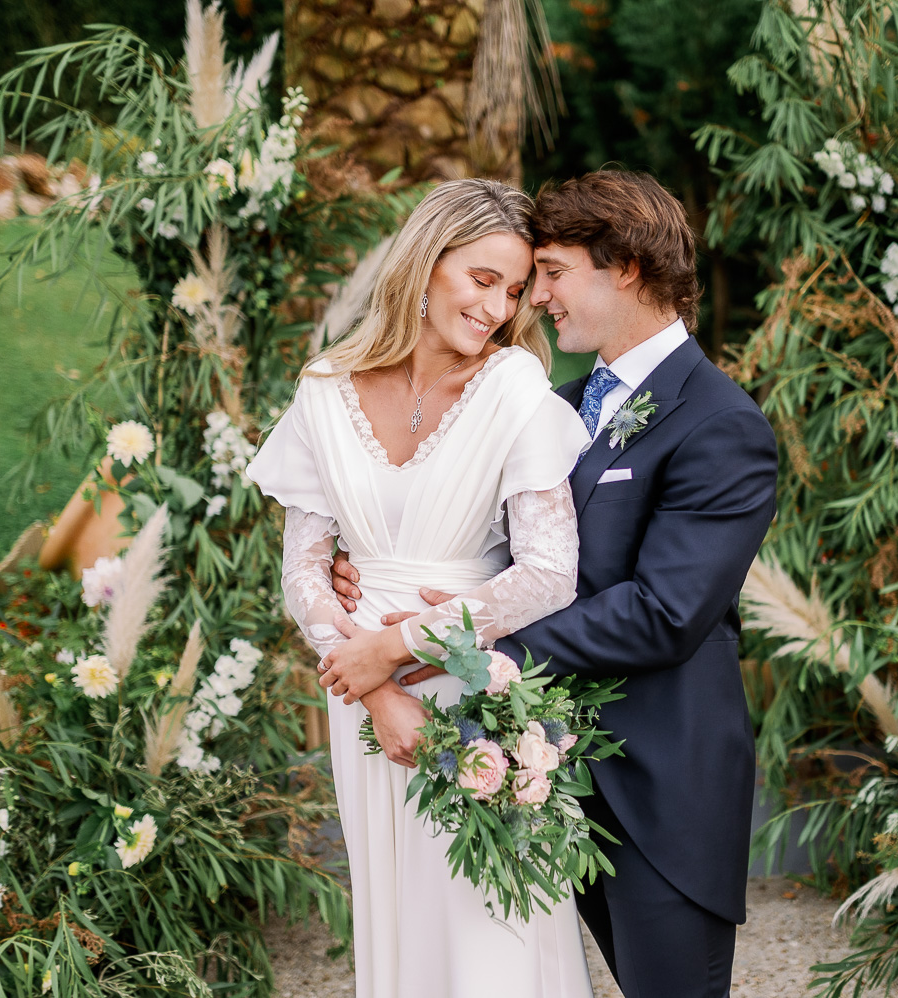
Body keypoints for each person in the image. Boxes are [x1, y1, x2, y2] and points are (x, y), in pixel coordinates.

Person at [328, 171, 779, 998]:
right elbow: (494, 542)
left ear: (628, 267)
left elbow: (664, 613)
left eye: (554, 272)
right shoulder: (561, 405)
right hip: (542, 773)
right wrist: (359, 566)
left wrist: (474, 646)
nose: (534, 299)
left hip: (658, 788)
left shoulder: (722, 424)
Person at [245, 178, 595, 998]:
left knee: (491, 932)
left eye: (514, 291)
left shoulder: (514, 388)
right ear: (424, 263)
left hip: (472, 683)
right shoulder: (325, 389)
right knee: (401, 928)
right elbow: (303, 570)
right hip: (363, 699)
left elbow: (550, 571)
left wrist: (403, 647)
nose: (498, 308)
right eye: (481, 279)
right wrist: (371, 688)